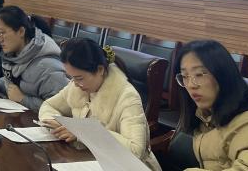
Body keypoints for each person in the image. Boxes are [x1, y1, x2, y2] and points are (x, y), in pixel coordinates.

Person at [38, 38, 161, 171]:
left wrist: (83, 133)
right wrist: (57, 124)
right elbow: (49, 106)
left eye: (79, 78)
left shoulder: (127, 96)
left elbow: (136, 150)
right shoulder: (77, 86)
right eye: (72, 77)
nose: (75, 84)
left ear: (100, 70)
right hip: (88, 160)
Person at [174, 39, 248, 171]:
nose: (191, 85)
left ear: (223, 74)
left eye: (199, 74)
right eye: (185, 76)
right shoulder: (205, 115)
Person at [0, 5, 67, 109]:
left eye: (2, 32)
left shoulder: (48, 67)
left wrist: (23, 99)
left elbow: (61, 108)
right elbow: (17, 84)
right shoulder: (16, 55)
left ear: (21, 31)